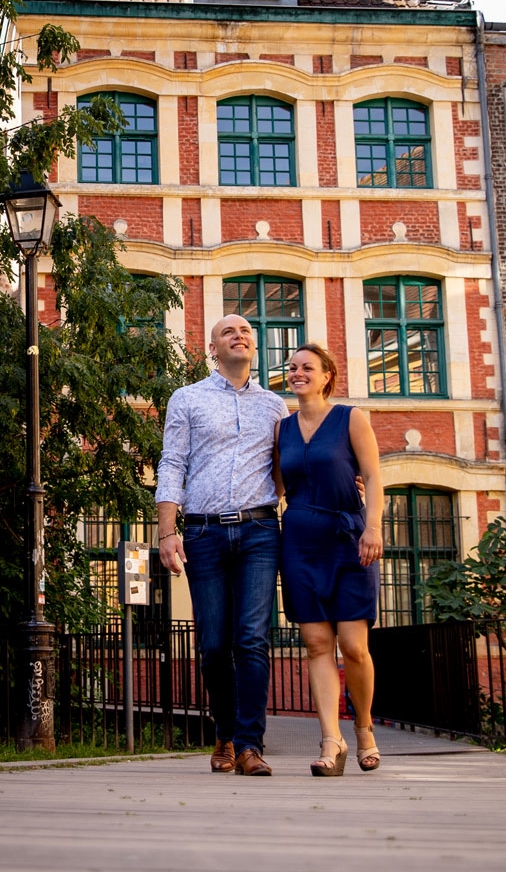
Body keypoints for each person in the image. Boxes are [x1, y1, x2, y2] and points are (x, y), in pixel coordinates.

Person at [156, 315, 286, 776]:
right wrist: (167, 531)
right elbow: (172, 463)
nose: (240, 335)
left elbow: (285, 471)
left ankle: (250, 745)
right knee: (213, 644)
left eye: (247, 331)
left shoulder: (274, 407)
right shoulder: (187, 398)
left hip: (259, 531)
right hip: (204, 533)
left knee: (252, 639)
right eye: (229, 332)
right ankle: (225, 734)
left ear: (254, 346)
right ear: (213, 348)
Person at [274, 344, 384, 775]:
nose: (298, 373)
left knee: (354, 648)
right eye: (293, 368)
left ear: (326, 376)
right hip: (300, 540)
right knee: (317, 644)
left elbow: (374, 476)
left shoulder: (350, 418)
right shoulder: (281, 429)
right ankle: (330, 741)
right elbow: (275, 487)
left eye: (307, 368)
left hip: (349, 538)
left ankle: (364, 728)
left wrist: (372, 526)